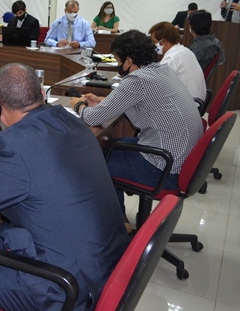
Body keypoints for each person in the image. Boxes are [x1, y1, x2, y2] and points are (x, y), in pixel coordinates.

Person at [0, 63, 129, 311]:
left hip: (65, 288)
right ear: (41, 94)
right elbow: (47, 163)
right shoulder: (70, 121)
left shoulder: (11, 144)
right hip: (105, 267)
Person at [70, 30, 203, 231]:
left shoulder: (137, 80)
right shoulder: (161, 70)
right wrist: (103, 101)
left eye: (118, 60)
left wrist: (78, 105)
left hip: (165, 167)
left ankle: (115, 224)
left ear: (129, 61)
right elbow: (140, 100)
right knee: (111, 146)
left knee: (95, 162)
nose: (118, 65)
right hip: (181, 159)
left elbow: (91, 118)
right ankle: (120, 217)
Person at [148, 21, 206, 101]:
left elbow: (155, 87)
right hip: (195, 102)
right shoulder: (185, 51)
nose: (153, 45)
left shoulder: (172, 58)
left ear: (163, 41)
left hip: (185, 105)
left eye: (154, 42)